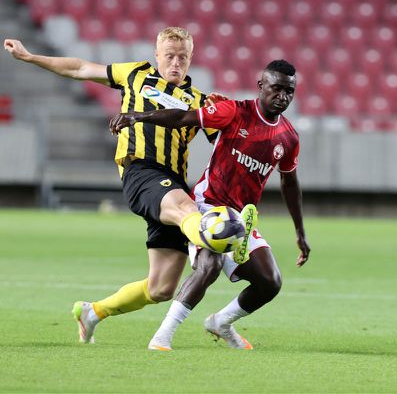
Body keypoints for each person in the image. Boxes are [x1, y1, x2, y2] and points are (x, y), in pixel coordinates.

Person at [3, 27, 257, 344]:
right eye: (169, 56)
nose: (176, 63)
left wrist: (235, 115)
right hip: (142, 171)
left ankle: (92, 312)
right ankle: (220, 236)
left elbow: (235, 137)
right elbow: (80, 68)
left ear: (191, 58)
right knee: (187, 209)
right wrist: (29, 57)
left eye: (183, 57)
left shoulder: (199, 102)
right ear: (157, 55)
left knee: (161, 287)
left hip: (173, 182)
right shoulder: (136, 74)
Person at [109, 60, 311, 350]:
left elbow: (290, 183)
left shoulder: (288, 137)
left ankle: (221, 322)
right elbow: (183, 117)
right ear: (261, 86)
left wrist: (300, 232)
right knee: (210, 264)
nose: (283, 96)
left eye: (289, 91)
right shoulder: (235, 111)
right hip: (207, 205)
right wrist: (138, 116)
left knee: (270, 281)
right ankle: (163, 336)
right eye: (276, 88)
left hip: (239, 219)